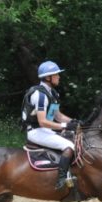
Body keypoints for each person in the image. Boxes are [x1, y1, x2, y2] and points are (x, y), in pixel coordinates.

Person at [21, 60, 80, 190]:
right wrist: (64, 126)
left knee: (74, 138)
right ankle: (61, 179)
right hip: (36, 131)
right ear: (48, 77)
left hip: (45, 130)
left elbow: (57, 116)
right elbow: (42, 121)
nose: (59, 77)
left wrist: (74, 122)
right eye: (56, 74)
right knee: (69, 146)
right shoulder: (40, 95)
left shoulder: (52, 93)